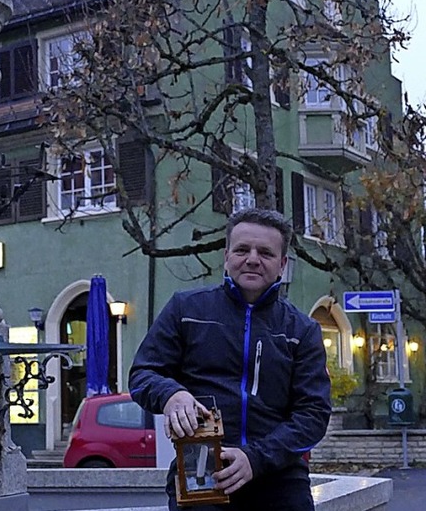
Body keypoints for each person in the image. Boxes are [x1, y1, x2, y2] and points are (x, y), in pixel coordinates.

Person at [129, 208, 331, 511]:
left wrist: (255, 457)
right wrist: (171, 394)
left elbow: (313, 413)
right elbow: (143, 373)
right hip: (200, 469)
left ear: (282, 264)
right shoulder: (185, 309)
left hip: (279, 476)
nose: (252, 259)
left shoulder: (302, 330)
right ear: (226, 256)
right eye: (242, 249)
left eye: (265, 252)